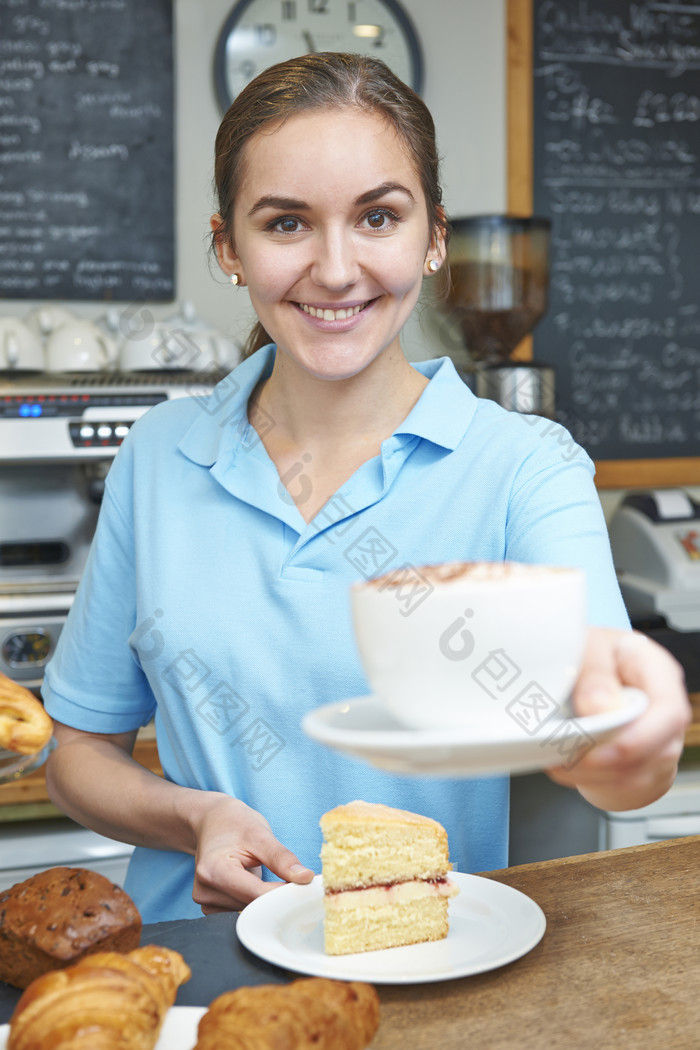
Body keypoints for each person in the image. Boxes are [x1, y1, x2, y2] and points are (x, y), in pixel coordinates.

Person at [43, 53, 691, 924]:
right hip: (198, 967)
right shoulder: (159, 457)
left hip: (431, 961)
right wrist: (193, 815)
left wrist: (633, 743)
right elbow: (79, 751)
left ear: (432, 239)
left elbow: (609, 728)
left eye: (377, 216)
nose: (337, 269)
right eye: (286, 224)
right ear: (229, 247)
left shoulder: (525, 468)